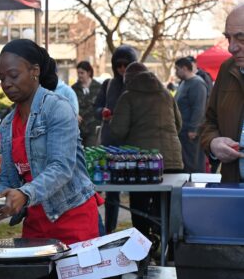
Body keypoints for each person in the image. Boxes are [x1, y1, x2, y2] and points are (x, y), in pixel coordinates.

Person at [0, 39, 101, 245]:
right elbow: (8, 178)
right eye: (2, 77)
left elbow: (61, 167)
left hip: (71, 217)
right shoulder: (7, 124)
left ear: (35, 71)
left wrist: (24, 194)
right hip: (35, 221)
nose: (6, 83)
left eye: (13, 75)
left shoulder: (57, 108)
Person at [110, 62, 183, 243]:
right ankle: (167, 249)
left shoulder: (128, 97)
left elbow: (118, 131)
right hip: (172, 162)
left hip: (143, 163)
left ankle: (143, 248)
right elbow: (179, 124)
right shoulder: (166, 94)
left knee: (140, 208)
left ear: (128, 79)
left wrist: (111, 120)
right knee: (166, 208)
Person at [94, 45, 138, 234]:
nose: (121, 70)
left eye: (125, 66)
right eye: (118, 66)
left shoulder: (138, 84)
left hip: (132, 143)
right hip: (110, 142)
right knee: (111, 191)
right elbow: (96, 107)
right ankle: (110, 230)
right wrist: (102, 112)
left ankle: (140, 230)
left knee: (137, 190)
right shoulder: (108, 84)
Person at [200, 4, 244, 182]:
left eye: (241, 38)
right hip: (233, 190)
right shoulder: (227, 69)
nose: (232, 48)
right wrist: (213, 143)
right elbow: (209, 122)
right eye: (229, 38)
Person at [174, 57, 208, 173]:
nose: (176, 72)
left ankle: (195, 189)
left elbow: (199, 107)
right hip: (182, 130)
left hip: (191, 131)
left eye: (177, 69)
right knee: (186, 163)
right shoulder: (184, 83)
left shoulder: (197, 83)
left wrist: (193, 128)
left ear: (184, 68)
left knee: (193, 163)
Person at [72, 60, 102, 147]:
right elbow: (68, 105)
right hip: (79, 128)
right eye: (78, 73)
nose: (79, 75)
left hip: (93, 127)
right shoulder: (74, 88)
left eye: (82, 73)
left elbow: (101, 105)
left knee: (91, 153)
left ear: (89, 73)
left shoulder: (98, 87)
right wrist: (74, 114)